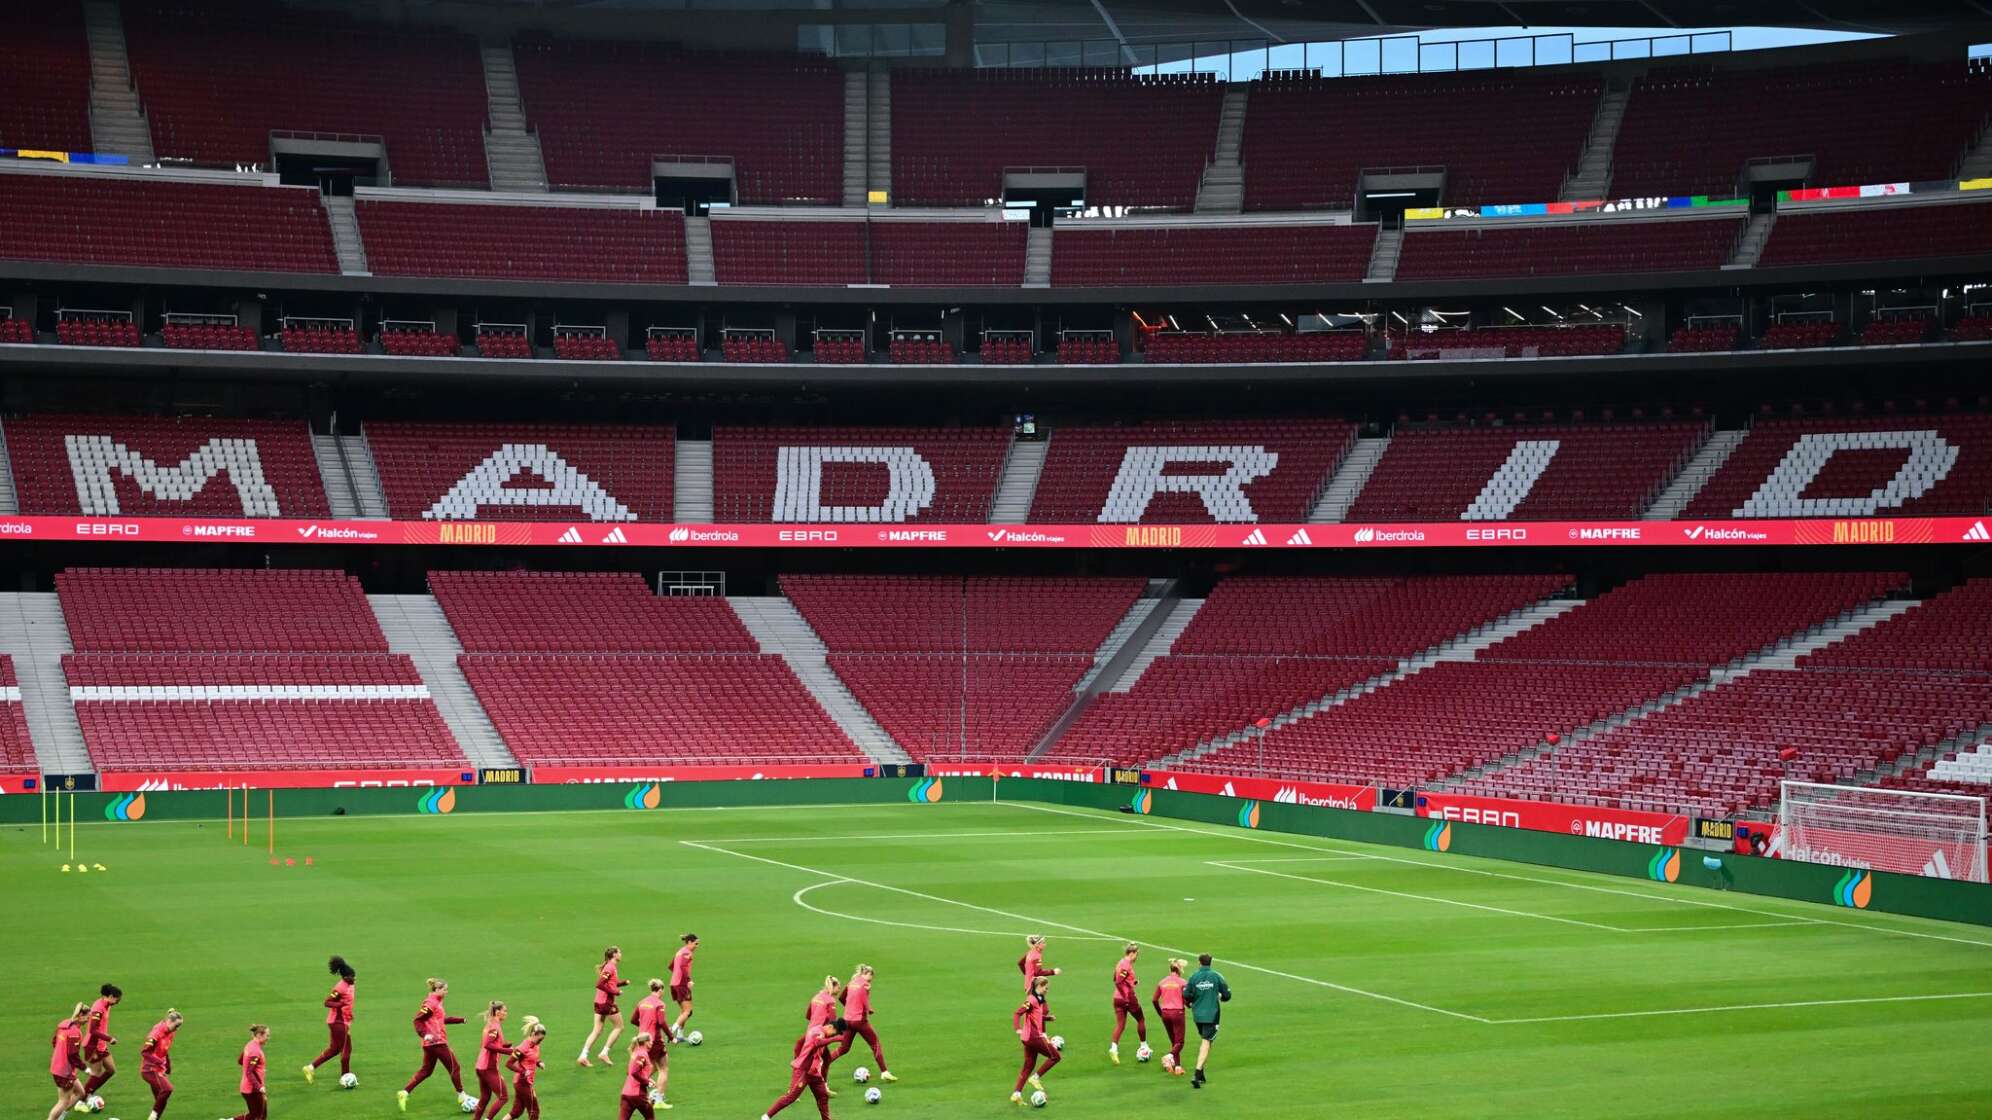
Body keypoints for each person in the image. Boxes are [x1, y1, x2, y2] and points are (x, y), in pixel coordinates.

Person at [397, 978, 476, 1113]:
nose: (447, 992)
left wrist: (460, 1020)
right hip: (436, 1042)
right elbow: (417, 1020)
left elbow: (441, 1020)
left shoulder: (437, 1002)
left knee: (426, 1071)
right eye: (444, 989)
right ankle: (462, 1096)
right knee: (454, 1067)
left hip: (432, 1044)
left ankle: (404, 1092)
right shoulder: (430, 1003)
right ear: (437, 990)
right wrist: (424, 1034)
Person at [761, 1018, 843, 1120]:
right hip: (804, 1070)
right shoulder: (817, 1032)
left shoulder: (824, 1035)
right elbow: (817, 1043)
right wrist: (836, 1039)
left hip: (814, 1073)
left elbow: (824, 1054)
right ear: (830, 1027)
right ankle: (767, 1116)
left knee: (823, 1097)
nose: (833, 1036)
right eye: (834, 1034)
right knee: (791, 1097)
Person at [831, 964, 894, 1083]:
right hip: (859, 1021)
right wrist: (869, 1009)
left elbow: (841, 998)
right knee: (875, 1044)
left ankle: (823, 1063)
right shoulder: (865, 985)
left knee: (844, 1048)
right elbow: (865, 1002)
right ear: (867, 974)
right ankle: (884, 1072)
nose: (870, 981)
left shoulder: (851, 982)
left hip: (847, 1020)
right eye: (870, 977)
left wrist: (850, 1008)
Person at [305, 956, 356, 1085]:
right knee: (345, 1049)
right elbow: (327, 1002)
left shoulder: (351, 985)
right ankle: (345, 1077)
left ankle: (310, 1068)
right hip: (337, 1022)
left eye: (354, 976)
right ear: (344, 977)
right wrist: (340, 1005)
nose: (354, 979)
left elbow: (349, 1002)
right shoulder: (340, 988)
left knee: (336, 1049)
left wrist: (349, 1013)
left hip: (343, 1021)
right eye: (351, 977)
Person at [1011, 974, 1060, 1105]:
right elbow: (1017, 1013)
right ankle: (1035, 1078)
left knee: (1028, 1066)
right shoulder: (1031, 999)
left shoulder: (1039, 998)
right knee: (1055, 1056)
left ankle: (1017, 1094)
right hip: (1033, 1037)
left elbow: (1035, 1016)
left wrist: (1047, 1018)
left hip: (1027, 1039)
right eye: (1046, 988)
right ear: (1039, 986)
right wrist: (1017, 1028)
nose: (1047, 990)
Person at [1183, 953, 1231, 1089]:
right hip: (1212, 1015)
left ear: (1199, 963)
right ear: (1211, 962)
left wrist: (1194, 1000)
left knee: (1207, 1041)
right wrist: (1220, 996)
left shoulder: (1193, 976)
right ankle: (1197, 1074)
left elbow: (1186, 994)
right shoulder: (1216, 976)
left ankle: (1202, 1072)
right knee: (1206, 1042)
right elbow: (1227, 995)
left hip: (1198, 1016)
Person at [580, 946, 629, 1067]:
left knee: (597, 1030)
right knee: (619, 1027)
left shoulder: (610, 966)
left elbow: (610, 983)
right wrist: (615, 992)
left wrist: (622, 984)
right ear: (614, 955)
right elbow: (600, 984)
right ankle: (604, 1052)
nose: (621, 954)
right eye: (619, 952)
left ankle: (583, 1056)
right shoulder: (610, 967)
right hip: (606, 1002)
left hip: (598, 1001)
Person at [80, 982, 123, 1107]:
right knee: (96, 1074)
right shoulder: (98, 1008)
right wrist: (109, 1038)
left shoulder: (107, 1004)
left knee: (111, 1070)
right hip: (94, 1045)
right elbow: (93, 1030)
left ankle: (89, 1093)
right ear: (110, 996)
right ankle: (81, 1099)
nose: (118, 1002)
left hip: (101, 1044)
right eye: (117, 999)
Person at [632, 980, 672, 1109]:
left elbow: (633, 1020)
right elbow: (661, 1022)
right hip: (654, 1040)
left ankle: (635, 1088)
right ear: (660, 989)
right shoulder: (659, 1004)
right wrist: (671, 1036)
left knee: (651, 1067)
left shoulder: (642, 1002)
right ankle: (659, 1100)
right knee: (663, 1068)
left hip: (641, 1039)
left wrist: (644, 1026)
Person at [799, 976, 844, 1091]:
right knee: (814, 1063)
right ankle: (817, 1086)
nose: (839, 989)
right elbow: (833, 1022)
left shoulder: (816, 997)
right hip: (820, 1034)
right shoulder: (830, 1000)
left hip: (810, 1031)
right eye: (838, 987)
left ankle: (796, 1087)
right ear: (833, 986)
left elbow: (808, 1015)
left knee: (823, 1058)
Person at [138, 1009, 182, 1120]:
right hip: (150, 1070)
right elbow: (144, 1052)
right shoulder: (156, 1034)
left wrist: (168, 1064)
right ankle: (152, 1117)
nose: (177, 1029)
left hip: (159, 1069)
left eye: (179, 1026)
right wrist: (159, 1061)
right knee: (167, 1089)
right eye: (176, 1026)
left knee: (161, 1100)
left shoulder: (171, 1031)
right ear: (169, 1022)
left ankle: (155, 1117)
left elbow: (165, 1050)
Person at [472, 1001, 512, 1120]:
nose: (506, 1013)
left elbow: (492, 1043)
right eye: (505, 1011)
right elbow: (488, 1045)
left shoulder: (491, 1023)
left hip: (480, 1066)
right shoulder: (494, 1026)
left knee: (485, 1097)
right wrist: (508, 1051)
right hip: (489, 1067)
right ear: (498, 1012)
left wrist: (504, 1045)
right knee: (503, 1097)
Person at [48, 1001, 88, 1120]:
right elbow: (73, 1055)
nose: (88, 1020)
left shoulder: (63, 1024)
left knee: (81, 1093)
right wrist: (85, 1068)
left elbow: (54, 1042)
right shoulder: (75, 1032)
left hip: (58, 1066)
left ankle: (61, 1117)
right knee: (63, 1101)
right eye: (87, 1017)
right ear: (80, 1016)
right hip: (65, 1071)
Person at [1108, 943, 1146, 1066]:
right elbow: (1118, 981)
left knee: (1120, 1024)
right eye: (1137, 954)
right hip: (1127, 998)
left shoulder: (1120, 963)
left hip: (1116, 998)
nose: (1137, 957)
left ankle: (1113, 1049)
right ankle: (1144, 1046)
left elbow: (1116, 978)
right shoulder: (1126, 965)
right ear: (1132, 953)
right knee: (1140, 1019)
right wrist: (1126, 996)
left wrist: (1132, 982)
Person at [1152, 959, 1189, 1075]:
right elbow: (1185, 999)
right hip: (1177, 1013)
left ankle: (1177, 1067)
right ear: (1179, 970)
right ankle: (1168, 1057)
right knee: (1180, 1042)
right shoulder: (1183, 982)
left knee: (1174, 1041)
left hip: (1165, 1013)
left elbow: (1154, 1000)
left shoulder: (1162, 982)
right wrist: (1190, 1004)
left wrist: (1160, 1013)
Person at [504, 1017, 546, 1120]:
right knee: (534, 1111)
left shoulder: (535, 1045)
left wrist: (539, 1062)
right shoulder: (523, 1047)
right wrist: (523, 1071)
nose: (541, 1041)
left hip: (525, 1082)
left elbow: (532, 1058)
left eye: (542, 1039)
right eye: (540, 1039)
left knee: (516, 1112)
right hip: (523, 1082)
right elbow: (508, 1064)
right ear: (533, 1035)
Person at [228, 1024, 270, 1120]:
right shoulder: (255, 1051)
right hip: (253, 1089)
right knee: (259, 1116)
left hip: (247, 1087)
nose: (268, 1038)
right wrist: (259, 1087)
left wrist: (259, 1070)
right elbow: (249, 1072)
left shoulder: (249, 1044)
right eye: (267, 1035)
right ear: (259, 1035)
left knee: (257, 1115)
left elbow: (240, 1061)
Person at [617, 1035, 657, 1120]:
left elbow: (629, 1072)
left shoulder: (635, 1053)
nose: (652, 1043)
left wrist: (648, 1079)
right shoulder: (642, 1054)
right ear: (646, 1043)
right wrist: (647, 1083)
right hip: (638, 1094)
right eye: (650, 1041)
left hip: (626, 1093)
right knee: (650, 1117)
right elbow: (634, 1072)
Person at [668, 934, 698, 1043]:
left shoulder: (680, 951)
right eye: (696, 943)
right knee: (688, 1011)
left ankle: (680, 1035)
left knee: (684, 1011)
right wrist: (688, 979)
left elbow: (671, 966)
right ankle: (672, 1030)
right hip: (681, 984)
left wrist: (677, 974)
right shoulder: (686, 953)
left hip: (674, 983)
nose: (697, 946)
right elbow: (683, 967)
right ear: (689, 942)